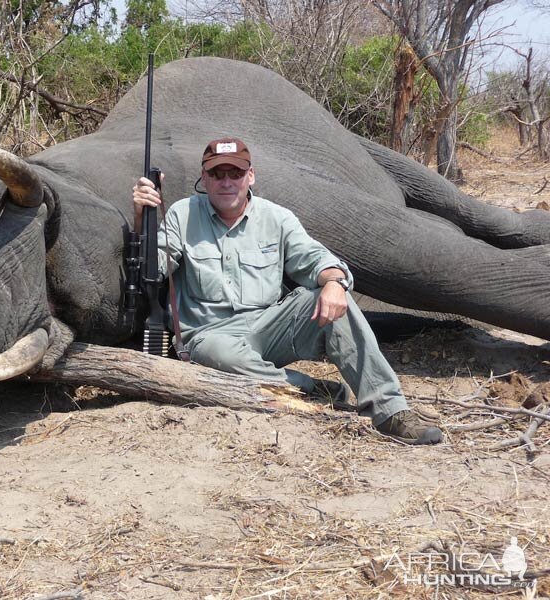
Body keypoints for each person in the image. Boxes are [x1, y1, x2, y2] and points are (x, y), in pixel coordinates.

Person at [132, 137, 443, 445]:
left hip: (269, 327)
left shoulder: (277, 218)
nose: (226, 182)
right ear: (204, 178)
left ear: (250, 175)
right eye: (216, 174)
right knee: (217, 355)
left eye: (235, 173)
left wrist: (334, 283)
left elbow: (317, 260)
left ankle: (390, 410)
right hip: (209, 335)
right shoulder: (181, 214)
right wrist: (141, 218)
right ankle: (310, 389)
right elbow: (154, 268)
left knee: (338, 300)